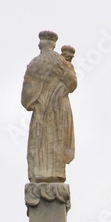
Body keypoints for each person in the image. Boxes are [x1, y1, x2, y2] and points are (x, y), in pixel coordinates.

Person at [21, 30, 77, 183]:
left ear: (41, 44)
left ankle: (40, 171)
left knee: (40, 140)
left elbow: (27, 95)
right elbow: (72, 82)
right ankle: (54, 171)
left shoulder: (34, 64)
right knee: (55, 139)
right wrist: (60, 90)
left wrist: (36, 100)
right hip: (58, 109)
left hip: (41, 109)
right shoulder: (61, 62)